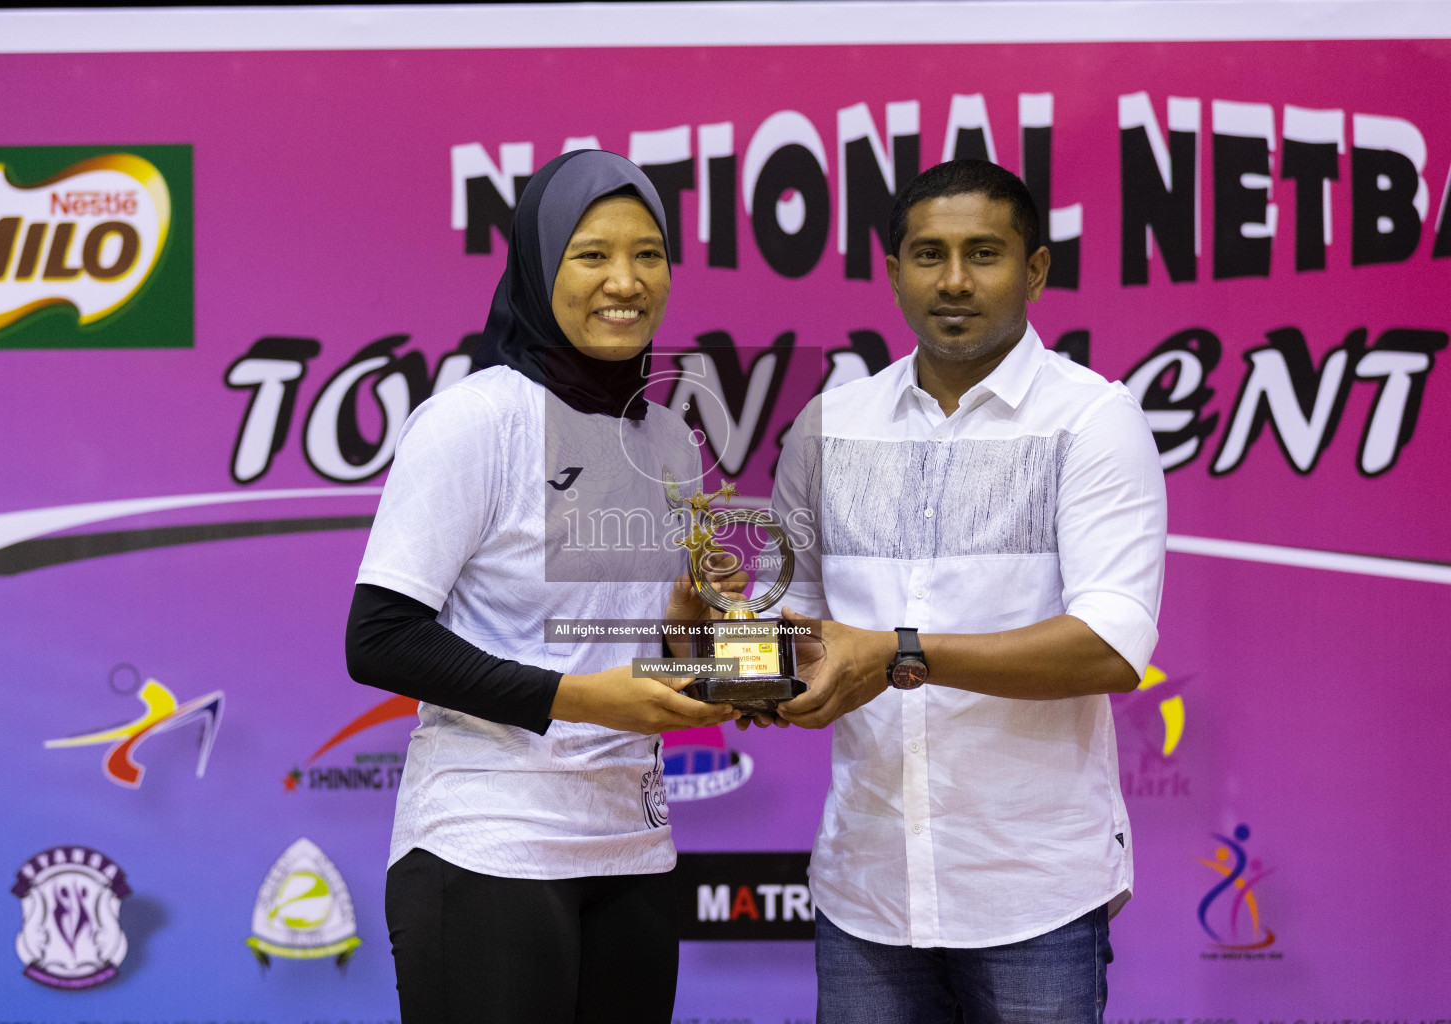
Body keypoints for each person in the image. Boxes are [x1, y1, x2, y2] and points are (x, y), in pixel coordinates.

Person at [762, 160, 1167, 1022]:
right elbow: (787, 618)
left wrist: (900, 654)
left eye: (983, 253)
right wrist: (729, 652)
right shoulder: (828, 425)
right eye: (928, 254)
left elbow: (1110, 645)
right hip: (863, 888)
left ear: (1037, 270)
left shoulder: (1094, 421)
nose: (953, 281)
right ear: (893, 271)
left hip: (1034, 894)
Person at [345, 149, 737, 1024]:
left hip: (632, 850)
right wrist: (579, 697)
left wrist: (701, 635)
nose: (625, 281)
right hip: (490, 847)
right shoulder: (476, 418)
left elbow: (654, 651)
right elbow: (378, 638)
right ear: (538, 264)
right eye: (592, 254)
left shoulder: (670, 441)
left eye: (649, 254)